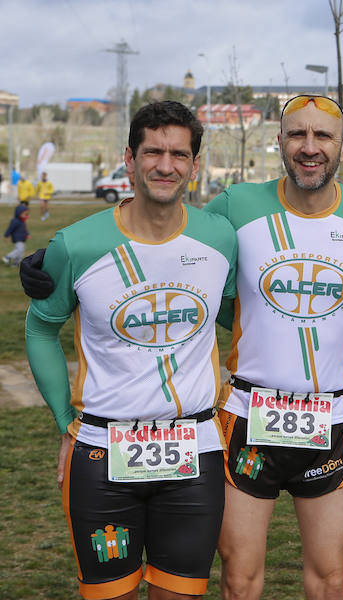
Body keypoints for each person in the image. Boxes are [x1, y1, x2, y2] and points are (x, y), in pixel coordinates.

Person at [25, 100, 237, 599]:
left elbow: (249, 304)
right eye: (153, 152)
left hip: (194, 455)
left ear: (195, 164)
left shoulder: (220, 237)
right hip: (102, 455)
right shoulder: (76, 245)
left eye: (179, 154)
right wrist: (63, 422)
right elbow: (39, 329)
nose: (166, 165)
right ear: (129, 157)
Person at [207, 94, 343, 600]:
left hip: (327, 419)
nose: (309, 147)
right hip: (249, 415)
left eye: (323, 136)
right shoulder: (235, 203)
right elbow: (174, 246)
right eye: (297, 134)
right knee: (239, 578)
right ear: (279, 141)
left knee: (330, 577)